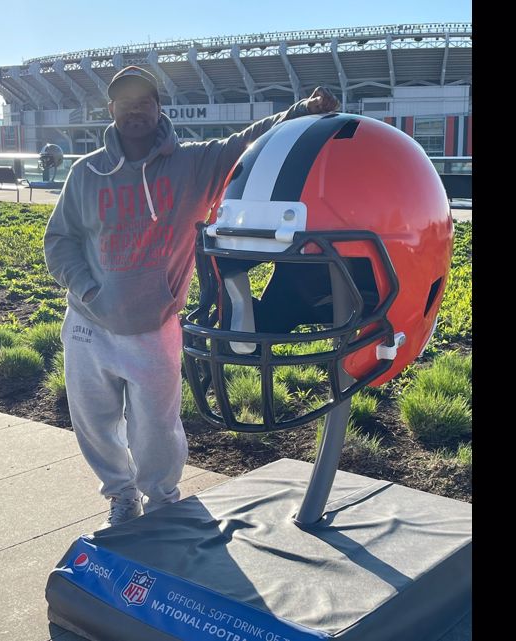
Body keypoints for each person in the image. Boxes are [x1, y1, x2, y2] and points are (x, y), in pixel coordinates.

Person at [43, 65, 338, 528]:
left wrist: (302, 110)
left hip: (155, 325)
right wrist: (88, 288)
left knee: (157, 428)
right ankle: (122, 496)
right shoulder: (87, 172)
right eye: (125, 103)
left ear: (159, 108)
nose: (135, 110)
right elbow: (60, 240)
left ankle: (162, 501)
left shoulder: (194, 164)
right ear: (111, 109)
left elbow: (247, 141)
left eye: (144, 102)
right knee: (94, 423)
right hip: (88, 325)